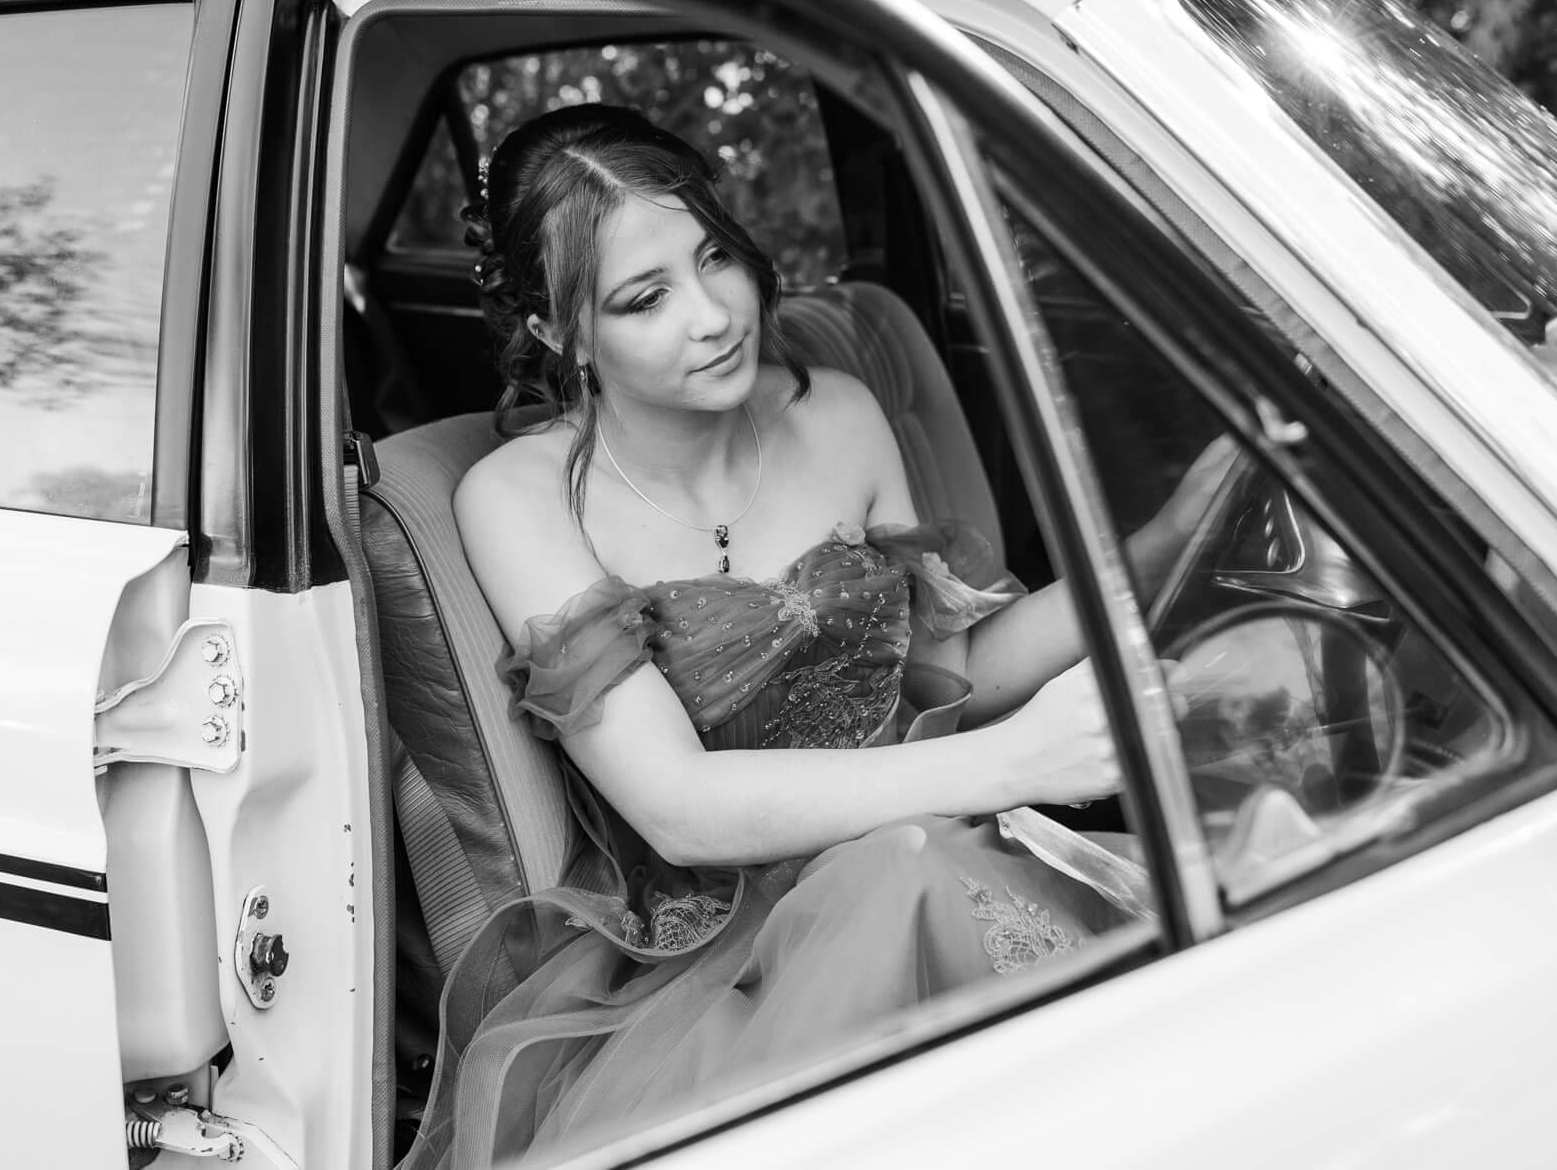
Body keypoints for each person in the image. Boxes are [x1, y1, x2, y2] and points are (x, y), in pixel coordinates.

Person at [406, 103, 1223, 1169]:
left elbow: (957, 670)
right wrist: (1008, 763)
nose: (711, 315)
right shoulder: (518, 498)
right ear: (562, 335)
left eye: (714, 259)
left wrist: (1159, 550)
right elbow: (678, 809)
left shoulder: (835, 412)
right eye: (645, 299)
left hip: (938, 836)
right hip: (728, 933)